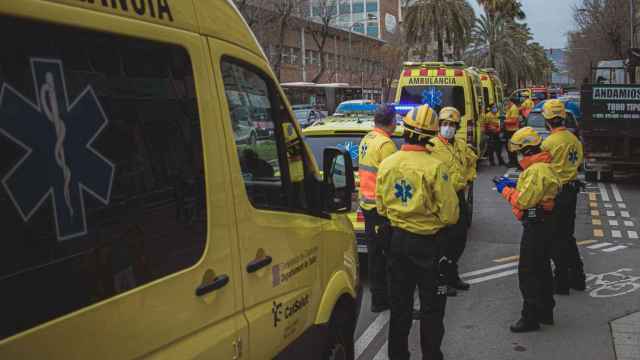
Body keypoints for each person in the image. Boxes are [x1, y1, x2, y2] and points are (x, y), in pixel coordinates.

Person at [376, 104, 459, 360]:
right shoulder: (435, 168)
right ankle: (431, 355)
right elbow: (451, 215)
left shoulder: (388, 164)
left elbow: (381, 206)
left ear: (406, 131)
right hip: (428, 246)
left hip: (397, 242)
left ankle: (398, 355)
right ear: (432, 135)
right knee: (432, 308)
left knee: (400, 307)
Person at [494, 127, 561, 332]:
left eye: (518, 152)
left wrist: (505, 190)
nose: (517, 157)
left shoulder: (535, 170)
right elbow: (533, 193)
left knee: (528, 272)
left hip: (536, 226)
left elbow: (523, 201)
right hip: (545, 223)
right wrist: (515, 186)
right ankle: (545, 311)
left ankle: (530, 317)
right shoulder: (543, 166)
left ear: (526, 151)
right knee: (542, 269)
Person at [428, 106, 477, 296]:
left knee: (460, 238)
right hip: (441, 199)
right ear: (439, 125)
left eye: (452, 124)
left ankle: (452, 273)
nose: (448, 127)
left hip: (458, 196)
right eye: (445, 124)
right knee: (443, 242)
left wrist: (470, 177)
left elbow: (472, 161)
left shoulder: (460, 145)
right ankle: (442, 279)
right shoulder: (432, 147)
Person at [540, 99, 586, 294]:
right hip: (571, 191)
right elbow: (580, 162)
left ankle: (562, 281)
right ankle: (578, 276)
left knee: (555, 238)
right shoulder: (574, 139)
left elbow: (541, 170)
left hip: (556, 194)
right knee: (567, 236)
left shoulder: (549, 143)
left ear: (547, 120)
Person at [358, 104, 398, 312]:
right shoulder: (386, 145)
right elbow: (393, 180)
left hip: (367, 205)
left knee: (375, 256)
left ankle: (378, 299)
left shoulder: (368, 139)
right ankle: (388, 299)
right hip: (381, 209)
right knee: (390, 257)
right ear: (391, 121)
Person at [504, 98, 522, 167]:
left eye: (506, 103)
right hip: (509, 130)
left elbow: (514, 121)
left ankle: (513, 162)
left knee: (512, 148)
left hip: (513, 131)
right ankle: (512, 161)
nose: (506, 105)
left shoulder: (513, 109)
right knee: (509, 147)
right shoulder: (510, 108)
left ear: (510, 101)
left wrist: (504, 121)